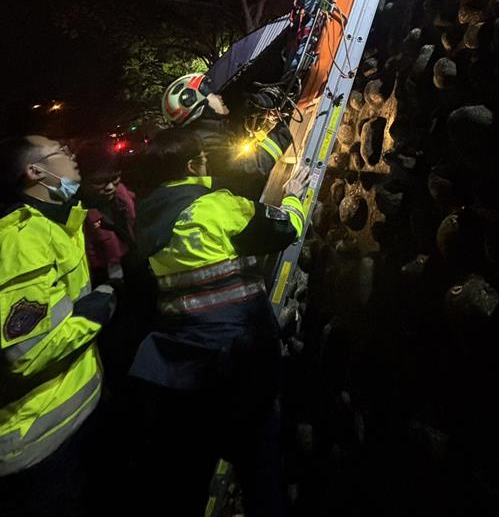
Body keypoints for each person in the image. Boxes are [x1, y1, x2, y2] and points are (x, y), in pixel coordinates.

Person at [128, 128, 310, 516]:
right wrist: (294, 197)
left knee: (187, 475)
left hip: (177, 370)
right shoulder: (214, 206)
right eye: (205, 158)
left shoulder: (143, 216)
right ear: (194, 165)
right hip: (238, 362)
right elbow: (282, 229)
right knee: (260, 466)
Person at [0, 135, 116, 517]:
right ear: (35, 171)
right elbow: (25, 353)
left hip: (73, 418)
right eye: (62, 150)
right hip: (41, 444)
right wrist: (97, 308)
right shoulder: (21, 240)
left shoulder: (58, 224)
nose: (72, 154)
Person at [162, 72, 293, 199]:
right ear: (201, 107)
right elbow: (253, 168)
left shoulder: (212, 132)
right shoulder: (207, 146)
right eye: (213, 95)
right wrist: (284, 129)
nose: (219, 97)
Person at [76, 142, 136, 285]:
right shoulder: (75, 216)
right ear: (81, 178)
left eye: (115, 178)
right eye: (99, 182)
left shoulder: (126, 199)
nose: (109, 187)